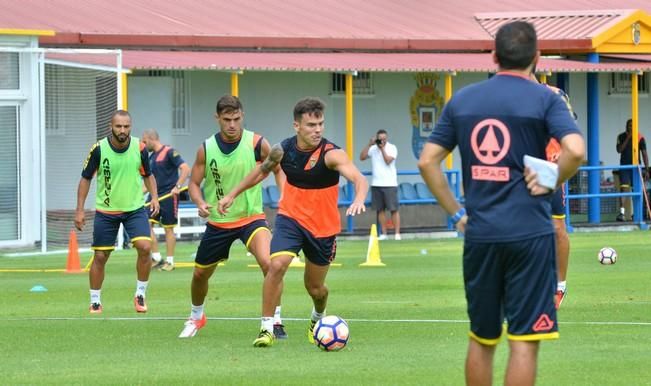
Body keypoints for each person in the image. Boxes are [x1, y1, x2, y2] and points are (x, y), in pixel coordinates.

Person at [418, 21, 584, 386]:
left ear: (493, 56)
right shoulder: (546, 99)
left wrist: (458, 214)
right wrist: (552, 179)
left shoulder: (463, 99)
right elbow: (575, 151)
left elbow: (427, 161)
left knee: (482, 338)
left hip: (481, 234)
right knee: (523, 341)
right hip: (531, 235)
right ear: (537, 57)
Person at [218, 97, 368, 348]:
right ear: (296, 126)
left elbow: (358, 178)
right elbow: (262, 171)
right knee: (276, 265)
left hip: (322, 228)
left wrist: (359, 198)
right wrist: (232, 194)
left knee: (316, 288)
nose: (317, 129)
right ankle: (267, 328)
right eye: (311, 125)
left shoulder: (331, 154)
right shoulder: (282, 150)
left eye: (320, 124)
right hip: (291, 219)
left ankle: (317, 319)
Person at [178, 95, 287, 339]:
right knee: (199, 274)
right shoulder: (206, 148)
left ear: (242, 116)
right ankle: (197, 316)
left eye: (236, 119)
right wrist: (199, 201)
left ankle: (276, 320)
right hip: (219, 221)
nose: (232, 125)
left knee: (270, 264)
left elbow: (279, 170)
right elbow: (194, 184)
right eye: (227, 119)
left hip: (251, 218)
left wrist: (284, 198)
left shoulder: (257, 143)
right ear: (217, 118)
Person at [75, 110, 160, 314]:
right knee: (101, 256)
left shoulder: (140, 148)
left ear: (131, 126)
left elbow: (148, 175)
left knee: (145, 247)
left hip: (134, 209)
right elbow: (86, 178)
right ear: (110, 126)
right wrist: (79, 210)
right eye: (118, 126)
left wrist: (155, 197)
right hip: (106, 211)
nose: (122, 130)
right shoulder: (98, 149)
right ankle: (95, 300)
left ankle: (140, 294)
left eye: (126, 126)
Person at [535, 76, 577, 309]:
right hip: (521, 171)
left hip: (550, 171)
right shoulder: (509, 96)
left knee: (557, 229)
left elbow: (569, 130)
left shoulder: (556, 95)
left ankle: (559, 286)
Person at [141, 129, 191, 272]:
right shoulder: (150, 158)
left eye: (145, 142)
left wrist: (178, 186)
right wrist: (138, 194)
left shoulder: (169, 152)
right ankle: (156, 258)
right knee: (146, 224)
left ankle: (170, 261)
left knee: (168, 228)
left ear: (152, 139)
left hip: (169, 196)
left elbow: (186, 169)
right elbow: (150, 181)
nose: (144, 145)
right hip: (154, 197)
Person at [359, 129, 401, 240]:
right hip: (376, 183)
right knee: (380, 210)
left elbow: (388, 161)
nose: (382, 141)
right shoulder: (373, 149)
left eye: (384, 139)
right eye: (380, 139)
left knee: (393, 209)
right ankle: (384, 233)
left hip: (390, 183)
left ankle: (397, 234)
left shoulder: (392, 148)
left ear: (387, 139)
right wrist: (369, 144)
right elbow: (362, 157)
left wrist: (382, 149)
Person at [615, 118, 649, 221]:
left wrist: (647, 169)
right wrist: (629, 137)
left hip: (636, 168)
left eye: (633, 126)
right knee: (624, 189)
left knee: (637, 190)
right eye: (629, 125)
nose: (631, 127)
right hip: (625, 167)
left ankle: (637, 214)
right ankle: (622, 213)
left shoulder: (640, 137)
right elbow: (619, 150)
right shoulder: (621, 136)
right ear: (626, 126)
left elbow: (644, 154)